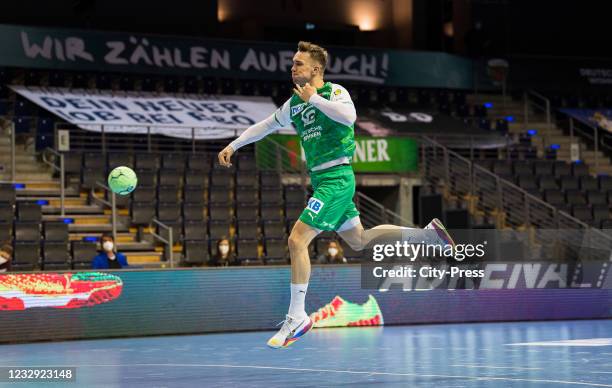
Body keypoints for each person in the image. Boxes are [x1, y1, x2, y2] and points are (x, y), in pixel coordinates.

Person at [218, 41, 455, 349]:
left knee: (296, 240)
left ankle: (297, 316)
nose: (293, 68)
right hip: (321, 181)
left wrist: (315, 98)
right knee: (359, 240)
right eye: (293, 63)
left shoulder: (334, 92)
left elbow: (348, 117)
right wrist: (234, 145)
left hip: (337, 178)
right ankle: (427, 238)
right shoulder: (294, 103)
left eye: (299, 64)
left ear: (316, 69)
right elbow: (265, 126)